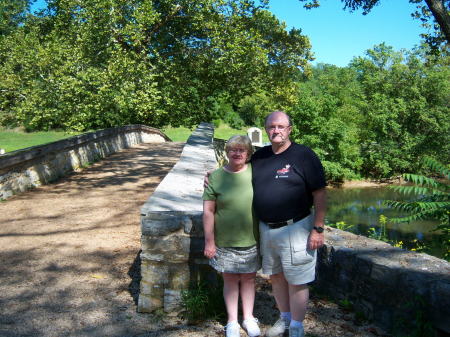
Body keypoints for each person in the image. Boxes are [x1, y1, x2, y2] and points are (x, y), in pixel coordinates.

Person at [252, 111, 327, 337]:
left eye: (281, 126)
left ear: (290, 129)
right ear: (266, 129)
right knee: (276, 276)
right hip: (267, 229)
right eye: (272, 127)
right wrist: (213, 177)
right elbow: (236, 173)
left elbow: (320, 193)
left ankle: (296, 326)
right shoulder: (260, 156)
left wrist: (318, 228)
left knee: (297, 279)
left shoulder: (304, 156)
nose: (276, 130)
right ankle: (284, 318)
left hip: (296, 229)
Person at [203, 135, 261, 337]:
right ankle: (232, 322)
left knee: (248, 279)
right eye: (232, 150)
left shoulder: (256, 172)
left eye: (242, 150)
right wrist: (209, 241)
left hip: (252, 238)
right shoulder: (216, 177)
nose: (237, 153)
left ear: (248, 154)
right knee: (230, 280)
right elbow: (208, 211)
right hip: (224, 240)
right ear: (226, 152)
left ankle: (249, 318)